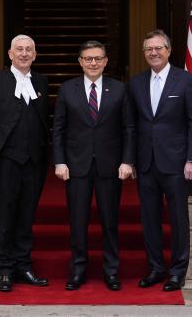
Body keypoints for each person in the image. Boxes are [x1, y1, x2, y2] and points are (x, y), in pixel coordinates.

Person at [52, 41, 135, 291]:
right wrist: (59, 160)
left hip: (110, 166)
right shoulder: (67, 89)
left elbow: (129, 128)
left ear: (106, 61)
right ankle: (77, 270)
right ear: (80, 62)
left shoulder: (120, 89)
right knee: (78, 221)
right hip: (76, 166)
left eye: (98, 58)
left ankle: (111, 271)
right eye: (88, 59)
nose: (93, 63)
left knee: (109, 221)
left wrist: (127, 160)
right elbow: (58, 129)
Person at [128, 29, 192, 292]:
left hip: (176, 164)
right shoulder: (136, 83)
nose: (153, 53)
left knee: (178, 220)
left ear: (169, 51)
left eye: (158, 48)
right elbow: (133, 125)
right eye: (149, 49)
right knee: (149, 219)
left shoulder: (185, 81)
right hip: (146, 163)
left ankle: (177, 271)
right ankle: (156, 268)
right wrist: (132, 160)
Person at [0, 34, 49, 293]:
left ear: (35, 54)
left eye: (29, 49)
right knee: (5, 218)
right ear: (10, 53)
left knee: (26, 218)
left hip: (34, 163)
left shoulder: (41, 81)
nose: (24, 53)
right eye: (19, 49)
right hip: (5, 162)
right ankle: (4, 270)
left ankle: (23, 265)